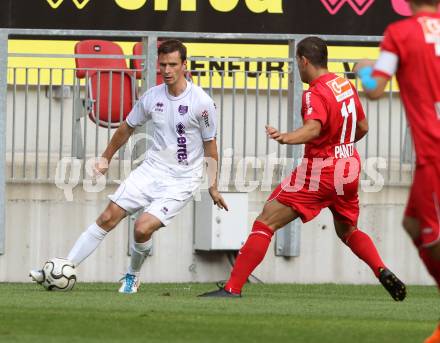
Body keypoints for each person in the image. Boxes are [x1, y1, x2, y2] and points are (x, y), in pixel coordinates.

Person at [199, 36, 406, 302]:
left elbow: (314, 127)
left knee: (266, 220)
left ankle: (232, 288)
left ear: (303, 60)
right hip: (350, 166)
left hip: (321, 171)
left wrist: (288, 137)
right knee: (347, 230)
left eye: (297, 62)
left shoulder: (314, 92)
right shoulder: (344, 84)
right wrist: (339, 146)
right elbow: (363, 128)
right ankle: (380, 269)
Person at [30, 39, 228, 294]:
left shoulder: (202, 103)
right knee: (107, 216)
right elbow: (126, 127)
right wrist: (105, 157)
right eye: (163, 64)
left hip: (182, 180)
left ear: (184, 66)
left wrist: (213, 186)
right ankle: (62, 269)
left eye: (173, 65)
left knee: (142, 227)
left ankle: (132, 276)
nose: (167, 70)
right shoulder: (152, 97)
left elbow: (211, 146)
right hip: (151, 170)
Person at [354, 1, 440, 341]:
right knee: (413, 222)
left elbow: (374, 89)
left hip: (435, 150)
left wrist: (362, 68)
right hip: (429, 155)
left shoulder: (400, 33)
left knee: (430, 230)